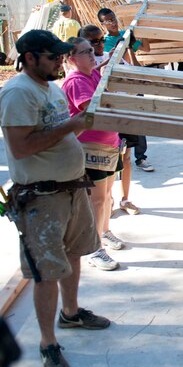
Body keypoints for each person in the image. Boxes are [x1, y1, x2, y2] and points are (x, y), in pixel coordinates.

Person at [0, 29, 110, 367]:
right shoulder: (18, 92)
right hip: (41, 197)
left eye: (62, 55)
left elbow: (62, 131)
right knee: (45, 272)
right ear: (30, 57)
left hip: (70, 189)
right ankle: (48, 343)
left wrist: (81, 123)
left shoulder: (50, 88)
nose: (60, 61)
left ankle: (71, 312)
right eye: (53, 56)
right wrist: (73, 125)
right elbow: (22, 147)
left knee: (72, 254)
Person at [62, 37, 126, 271]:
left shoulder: (92, 75)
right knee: (97, 200)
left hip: (108, 144)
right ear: (71, 59)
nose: (92, 55)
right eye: (85, 52)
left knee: (107, 195)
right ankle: (94, 248)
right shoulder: (77, 81)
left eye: (91, 50)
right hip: (92, 149)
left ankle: (104, 231)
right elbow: (89, 106)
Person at [81, 23, 143, 216]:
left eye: (101, 40)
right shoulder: (80, 63)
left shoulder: (110, 56)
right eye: (93, 43)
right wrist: (105, 64)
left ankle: (124, 199)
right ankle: (105, 202)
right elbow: (87, 81)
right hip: (103, 124)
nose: (99, 45)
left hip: (122, 114)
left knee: (125, 159)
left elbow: (134, 73)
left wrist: (125, 51)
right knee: (103, 168)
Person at [98, 8, 154, 173]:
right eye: (108, 20)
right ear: (102, 24)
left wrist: (143, 31)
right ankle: (120, 159)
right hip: (117, 87)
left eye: (113, 18)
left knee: (140, 121)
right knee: (121, 123)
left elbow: (145, 48)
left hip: (133, 83)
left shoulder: (126, 34)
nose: (113, 22)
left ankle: (141, 157)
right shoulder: (103, 42)